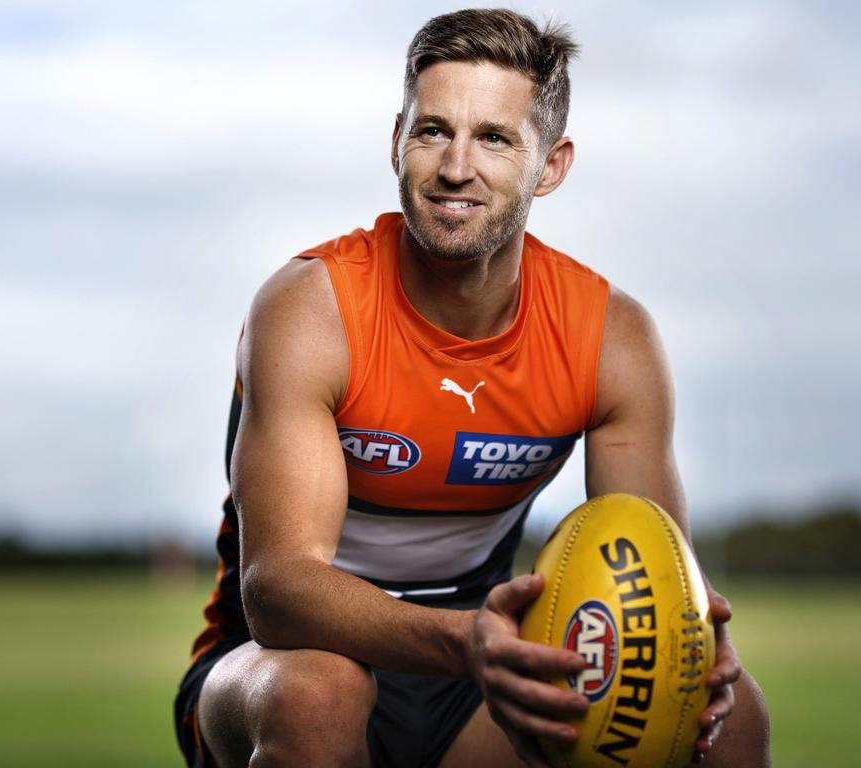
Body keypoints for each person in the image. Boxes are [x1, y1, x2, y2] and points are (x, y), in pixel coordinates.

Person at [174, 8, 771, 767]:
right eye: (433, 131)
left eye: (494, 138)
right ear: (397, 141)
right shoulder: (314, 308)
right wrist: (467, 642)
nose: (457, 167)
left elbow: (655, 569)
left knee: (731, 718)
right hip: (277, 659)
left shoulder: (609, 339)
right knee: (319, 695)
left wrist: (699, 651)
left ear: (549, 166)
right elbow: (279, 589)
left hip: (476, 676)